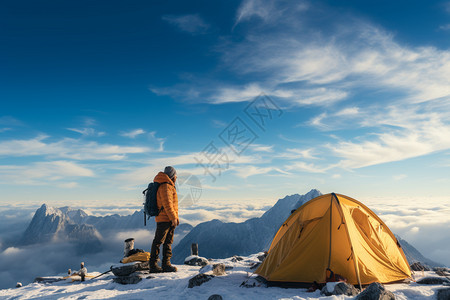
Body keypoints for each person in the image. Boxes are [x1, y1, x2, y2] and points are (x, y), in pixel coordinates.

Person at [149, 166, 179, 273]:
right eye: (175, 175)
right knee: (158, 241)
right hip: (165, 219)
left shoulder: (167, 184)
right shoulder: (166, 186)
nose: (176, 177)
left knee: (167, 242)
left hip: (166, 218)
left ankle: (166, 264)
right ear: (172, 175)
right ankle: (153, 265)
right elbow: (168, 205)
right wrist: (173, 218)